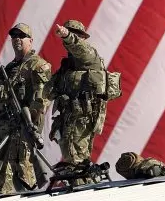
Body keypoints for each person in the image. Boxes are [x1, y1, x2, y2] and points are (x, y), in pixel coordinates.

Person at [0, 22, 51, 194]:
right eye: (14, 36)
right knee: (1, 183)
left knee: (24, 178)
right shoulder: (8, 70)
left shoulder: (38, 65)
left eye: (21, 36)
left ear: (31, 40)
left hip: (23, 132)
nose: (16, 39)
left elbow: (42, 100)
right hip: (3, 132)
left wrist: (28, 123)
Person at [47, 20, 120, 178]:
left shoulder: (90, 57)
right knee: (70, 162)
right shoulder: (67, 66)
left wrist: (67, 36)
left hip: (82, 120)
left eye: (76, 34)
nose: (72, 37)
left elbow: (80, 48)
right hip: (67, 120)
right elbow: (49, 90)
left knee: (77, 162)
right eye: (70, 32)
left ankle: (81, 191)